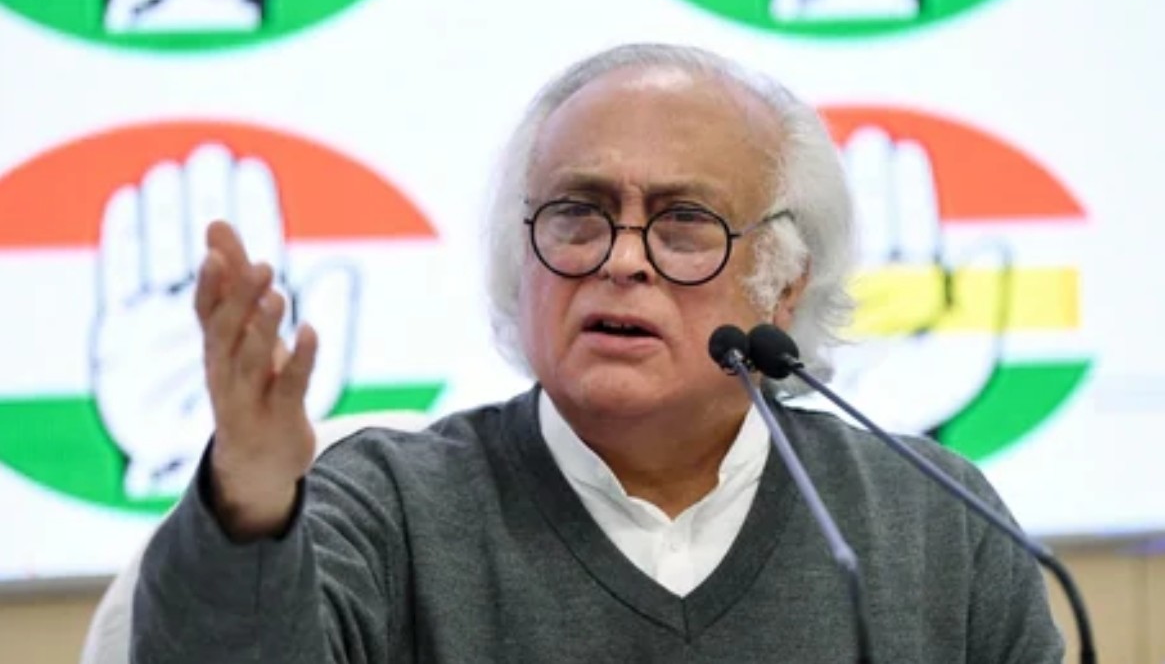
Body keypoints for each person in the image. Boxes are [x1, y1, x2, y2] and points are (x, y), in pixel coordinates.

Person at [131, 42, 1064, 662]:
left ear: (782, 281)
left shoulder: (934, 523)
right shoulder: (390, 508)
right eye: (577, 215)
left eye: (683, 222)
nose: (621, 259)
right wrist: (247, 499)